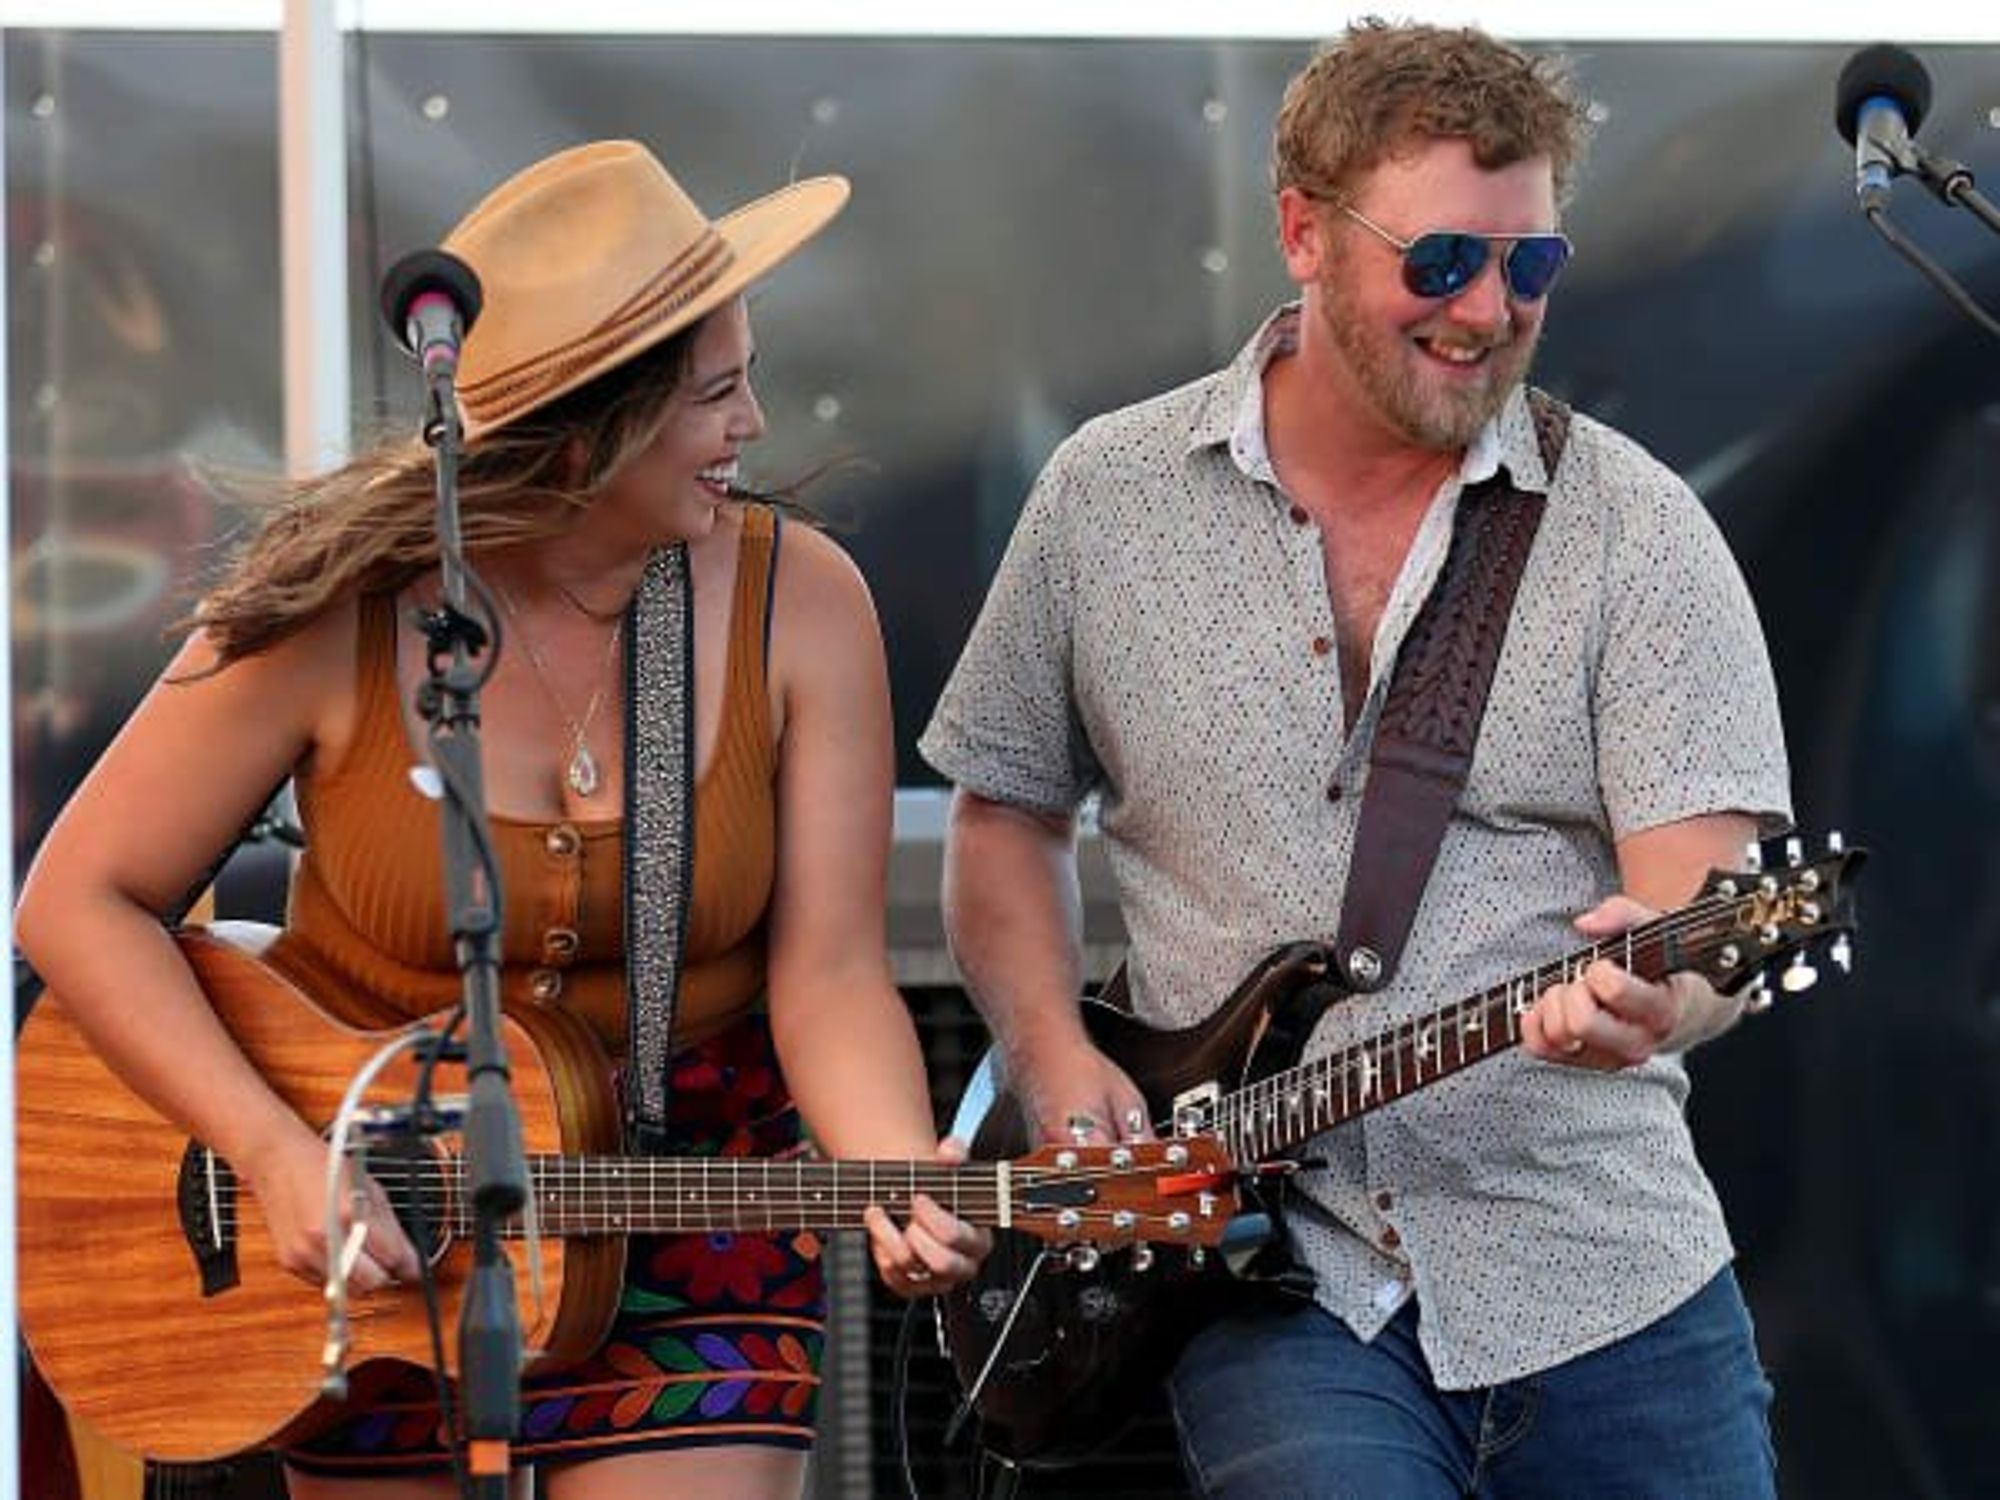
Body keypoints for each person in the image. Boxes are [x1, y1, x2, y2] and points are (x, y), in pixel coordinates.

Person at [16, 139, 987, 1500]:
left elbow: (825, 974)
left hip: (686, 1185)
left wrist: (888, 1159)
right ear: (587, 436)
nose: (755, 425)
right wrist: (276, 1156)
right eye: (717, 393)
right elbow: (76, 902)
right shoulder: (330, 611)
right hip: (369, 1197)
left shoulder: (803, 603)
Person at [921, 21, 1788, 1500]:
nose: (1490, 311)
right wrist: (1054, 1054)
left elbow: (1709, 898)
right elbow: (1003, 821)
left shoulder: (1635, 529)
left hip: (1601, 1268)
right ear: (1304, 233)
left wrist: (1668, 982)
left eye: (1534, 268)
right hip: (1278, 1279)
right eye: (1442, 262)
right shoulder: (1106, 500)